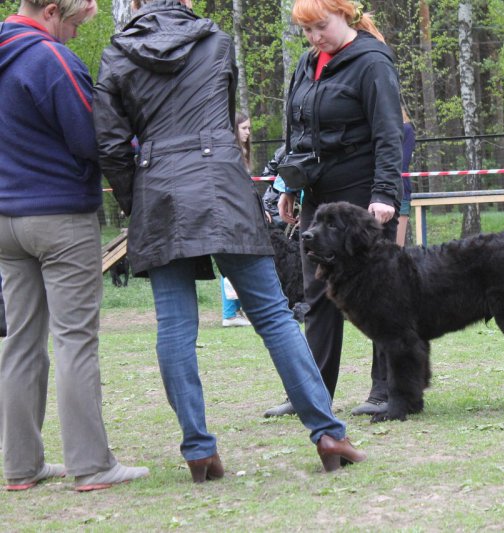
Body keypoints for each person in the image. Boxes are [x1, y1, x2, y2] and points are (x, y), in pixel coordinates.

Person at [93, 0, 366, 480]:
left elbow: (111, 145)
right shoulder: (215, 42)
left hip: (159, 187)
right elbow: (219, 119)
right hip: (220, 181)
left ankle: (198, 449)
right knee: (274, 316)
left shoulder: (118, 53)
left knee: (175, 326)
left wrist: (140, 201)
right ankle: (327, 433)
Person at [0, 0, 149, 491]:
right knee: (75, 339)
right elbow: (93, 137)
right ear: (50, 10)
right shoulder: (51, 59)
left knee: (21, 342)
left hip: (5, 220)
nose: (73, 34)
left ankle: (21, 466)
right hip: (59, 218)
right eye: (73, 23)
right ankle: (91, 465)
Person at [265, 0, 403, 418]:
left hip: (363, 195)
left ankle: (387, 390)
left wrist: (385, 194)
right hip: (317, 196)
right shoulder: (307, 64)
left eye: (320, 26)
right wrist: (288, 186)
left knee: (379, 292)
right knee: (317, 294)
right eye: (307, 30)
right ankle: (312, 392)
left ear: (344, 14)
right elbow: (297, 135)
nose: (314, 37)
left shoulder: (372, 61)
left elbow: (389, 133)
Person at [219, 111, 254, 328]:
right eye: (244, 128)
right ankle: (230, 314)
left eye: (249, 128)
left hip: (242, 214)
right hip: (230, 215)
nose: (248, 133)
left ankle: (237, 310)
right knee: (229, 265)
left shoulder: (243, 152)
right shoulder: (228, 154)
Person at [396, 107, 416, 247]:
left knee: (397, 246)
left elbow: (403, 162)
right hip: (375, 192)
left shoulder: (407, 129)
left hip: (400, 189)